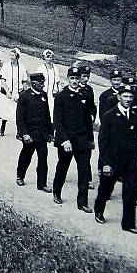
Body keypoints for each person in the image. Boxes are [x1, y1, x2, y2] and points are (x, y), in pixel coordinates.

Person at [94, 82, 137, 233]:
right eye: (125, 96)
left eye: (130, 97)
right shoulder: (109, 116)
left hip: (131, 162)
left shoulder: (135, 117)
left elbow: (135, 142)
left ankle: (128, 224)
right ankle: (99, 211)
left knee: (131, 192)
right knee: (105, 189)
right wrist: (106, 163)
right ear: (118, 97)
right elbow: (103, 142)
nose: (128, 99)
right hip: (113, 161)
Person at [52, 66, 95, 212]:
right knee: (62, 167)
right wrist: (64, 140)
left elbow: (88, 120)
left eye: (77, 78)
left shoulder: (85, 96)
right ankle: (56, 192)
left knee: (83, 170)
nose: (75, 81)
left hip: (82, 139)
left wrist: (91, 139)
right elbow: (57, 121)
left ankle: (82, 202)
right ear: (68, 79)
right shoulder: (61, 97)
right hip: (67, 141)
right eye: (72, 78)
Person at [15, 72, 54, 191]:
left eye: (43, 83)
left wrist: (50, 132)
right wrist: (24, 134)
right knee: (26, 156)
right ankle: (20, 176)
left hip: (42, 134)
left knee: (43, 158)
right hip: (30, 134)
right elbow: (20, 118)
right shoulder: (24, 96)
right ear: (33, 83)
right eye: (41, 83)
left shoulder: (44, 95)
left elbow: (47, 115)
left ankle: (42, 184)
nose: (43, 85)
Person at [0, 48, 28, 137]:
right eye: (11, 55)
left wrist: (25, 93)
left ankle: (19, 132)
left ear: (17, 57)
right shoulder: (6, 66)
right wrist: (7, 92)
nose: (11, 57)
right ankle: (2, 128)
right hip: (7, 93)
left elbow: (24, 81)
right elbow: (2, 80)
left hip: (18, 94)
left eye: (13, 56)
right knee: (5, 112)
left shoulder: (22, 68)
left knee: (18, 114)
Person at [35, 49, 60, 120]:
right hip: (43, 94)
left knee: (52, 115)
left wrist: (59, 93)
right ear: (44, 58)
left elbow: (58, 82)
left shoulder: (56, 68)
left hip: (53, 95)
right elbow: (37, 83)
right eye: (47, 57)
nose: (49, 59)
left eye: (50, 57)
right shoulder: (41, 68)